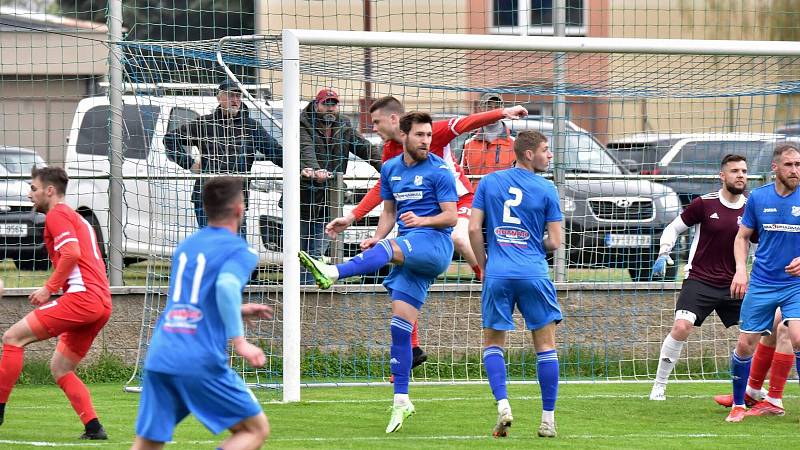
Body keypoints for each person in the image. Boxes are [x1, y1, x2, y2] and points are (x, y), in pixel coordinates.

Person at [325, 95, 528, 368]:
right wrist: (352, 216)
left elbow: (469, 122)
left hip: (457, 202)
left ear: (394, 119)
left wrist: (504, 112)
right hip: (419, 216)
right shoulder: (391, 152)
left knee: (458, 236)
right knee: (404, 277)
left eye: (376, 121)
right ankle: (412, 348)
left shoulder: (430, 133)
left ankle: (489, 280)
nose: (374, 127)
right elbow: (384, 190)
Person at [298, 112, 458, 433]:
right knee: (400, 327)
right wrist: (371, 232)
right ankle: (401, 401)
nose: (427, 141)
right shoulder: (390, 168)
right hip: (410, 249)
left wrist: (422, 222)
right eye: (420, 136)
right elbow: (389, 211)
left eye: (429, 135)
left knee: (384, 251)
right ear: (404, 136)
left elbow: (451, 217)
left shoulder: (439, 170)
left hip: (434, 246)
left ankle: (332, 272)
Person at [132, 176, 273, 450]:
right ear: (239, 209)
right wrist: (240, 341)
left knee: (148, 442)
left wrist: (238, 310)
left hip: (161, 353)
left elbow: (190, 304)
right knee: (254, 429)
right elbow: (227, 285)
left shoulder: (186, 247)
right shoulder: (239, 250)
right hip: (197, 357)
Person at [0, 166, 111, 439]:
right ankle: (94, 428)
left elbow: (71, 253)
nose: (30, 194)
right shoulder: (74, 216)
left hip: (83, 298)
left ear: (50, 191)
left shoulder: (57, 215)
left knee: (13, 338)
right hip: (101, 302)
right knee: (60, 368)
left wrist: (49, 288)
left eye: (34, 188)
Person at [468, 130, 562, 439]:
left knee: (493, 343)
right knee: (546, 346)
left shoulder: (489, 182)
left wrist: (485, 264)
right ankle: (548, 419)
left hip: (498, 272)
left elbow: (472, 229)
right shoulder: (547, 189)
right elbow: (557, 242)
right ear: (527, 154)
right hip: (533, 272)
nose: (549, 156)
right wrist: (533, 242)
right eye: (545, 150)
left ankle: (504, 406)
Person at [648, 154, 755, 401]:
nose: (740, 175)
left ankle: (751, 390)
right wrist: (664, 253)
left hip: (735, 285)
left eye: (744, 171)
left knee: (758, 332)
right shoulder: (704, 204)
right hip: (700, 280)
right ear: (722, 175)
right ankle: (659, 385)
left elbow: (760, 244)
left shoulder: (752, 207)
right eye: (735, 171)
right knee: (681, 326)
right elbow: (673, 228)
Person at [725, 144, 800, 423]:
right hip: (763, 282)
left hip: (796, 284)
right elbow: (742, 237)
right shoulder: (758, 197)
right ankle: (738, 404)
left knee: (798, 337)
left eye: (799, 165)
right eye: (790, 165)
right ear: (775, 168)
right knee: (745, 344)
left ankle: (774, 399)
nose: (795, 170)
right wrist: (740, 272)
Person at [164, 80, 282, 233]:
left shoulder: (251, 127)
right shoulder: (204, 123)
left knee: (235, 248)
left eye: (238, 96)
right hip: (207, 198)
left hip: (235, 199)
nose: (235, 100)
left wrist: (301, 166)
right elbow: (170, 139)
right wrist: (190, 163)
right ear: (219, 98)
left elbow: (275, 151)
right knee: (211, 249)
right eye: (231, 95)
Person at [298, 88, 381, 284]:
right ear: (316, 104)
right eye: (326, 103)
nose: (330, 108)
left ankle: (312, 292)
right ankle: (302, 292)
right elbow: (305, 148)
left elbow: (363, 146)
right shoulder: (303, 123)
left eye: (333, 104)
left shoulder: (343, 124)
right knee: (301, 251)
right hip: (303, 197)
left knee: (316, 251)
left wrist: (386, 166)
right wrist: (314, 170)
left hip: (331, 196)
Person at [460, 93, 516, 183]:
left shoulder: (515, 141)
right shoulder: (469, 142)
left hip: (504, 196)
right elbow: (462, 176)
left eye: (497, 106)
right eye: (489, 106)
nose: (493, 110)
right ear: (481, 108)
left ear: (503, 109)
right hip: (476, 196)